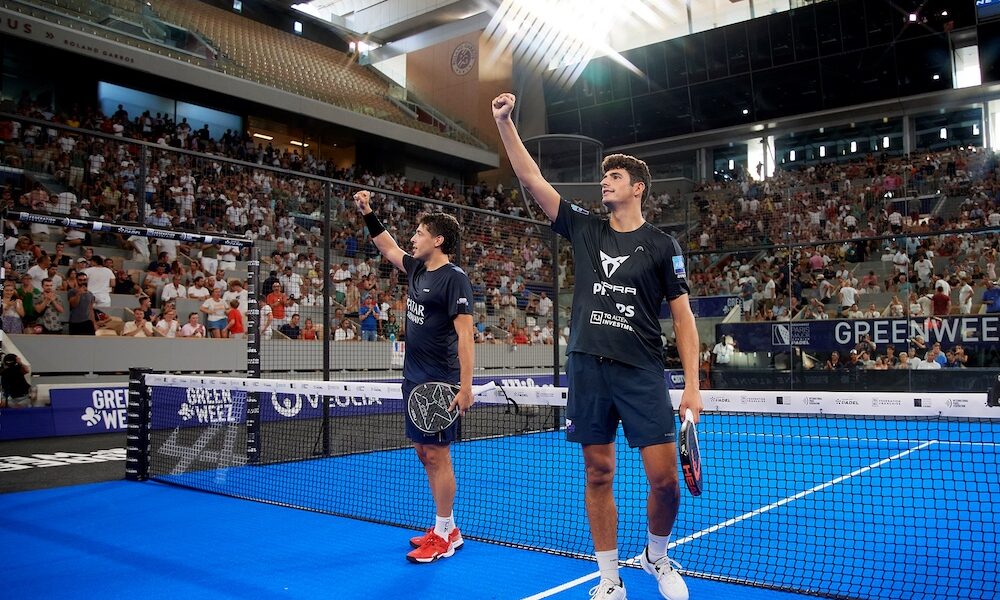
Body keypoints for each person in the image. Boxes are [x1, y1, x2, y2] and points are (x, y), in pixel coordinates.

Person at [493, 92, 701, 600]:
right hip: (588, 367)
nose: (604, 181)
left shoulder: (662, 245)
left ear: (638, 188)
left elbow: (683, 317)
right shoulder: (584, 228)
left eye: (615, 176)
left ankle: (656, 555)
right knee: (598, 471)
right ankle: (609, 579)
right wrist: (504, 122)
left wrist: (693, 387)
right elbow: (531, 179)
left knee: (666, 481)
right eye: (604, 176)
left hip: (641, 370)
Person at [354, 188, 475, 564]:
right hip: (414, 379)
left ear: (438, 240)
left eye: (420, 233)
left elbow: (466, 336)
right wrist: (367, 211)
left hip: (440, 382)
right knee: (424, 452)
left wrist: (466, 387)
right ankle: (447, 527)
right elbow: (387, 246)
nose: (413, 238)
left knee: (437, 455)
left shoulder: (454, 279)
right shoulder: (419, 269)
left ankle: (444, 534)